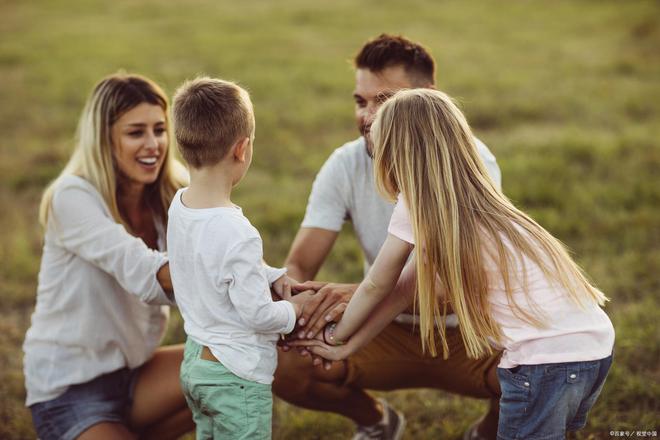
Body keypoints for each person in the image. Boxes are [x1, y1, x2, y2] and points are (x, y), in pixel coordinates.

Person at [293, 88, 615, 440]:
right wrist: (349, 346)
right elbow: (403, 291)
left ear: (394, 155)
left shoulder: (416, 205)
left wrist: (335, 335)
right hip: (592, 350)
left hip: (542, 363)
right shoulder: (482, 205)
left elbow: (377, 284)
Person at [276, 34, 502, 439]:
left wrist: (355, 293)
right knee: (282, 358)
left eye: (385, 101)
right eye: (361, 102)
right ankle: (376, 422)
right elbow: (299, 264)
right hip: (381, 328)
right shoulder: (346, 163)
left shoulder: (474, 164)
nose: (367, 116)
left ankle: (487, 433)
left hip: (467, 332)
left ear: (428, 99)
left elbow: (448, 287)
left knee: (540, 364)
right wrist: (298, 299)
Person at [23, 73, 193, 440]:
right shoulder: (71, 196)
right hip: (70, 390)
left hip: (137, 374)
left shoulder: (173, 191)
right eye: (136, 133)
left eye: (160, 130)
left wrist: (284, 290)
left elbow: (228, 252)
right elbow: (144, 271)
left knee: (239, 364)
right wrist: (247, 289)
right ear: (104, 139)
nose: (154, 145)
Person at [167, 77, 313, 439]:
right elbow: (259, 315)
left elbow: (216, 263)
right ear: (242, 149)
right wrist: (297, 310)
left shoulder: (180, 205)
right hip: (236, 377)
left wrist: (271, 274)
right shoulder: (239, 232)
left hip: (196, 365)